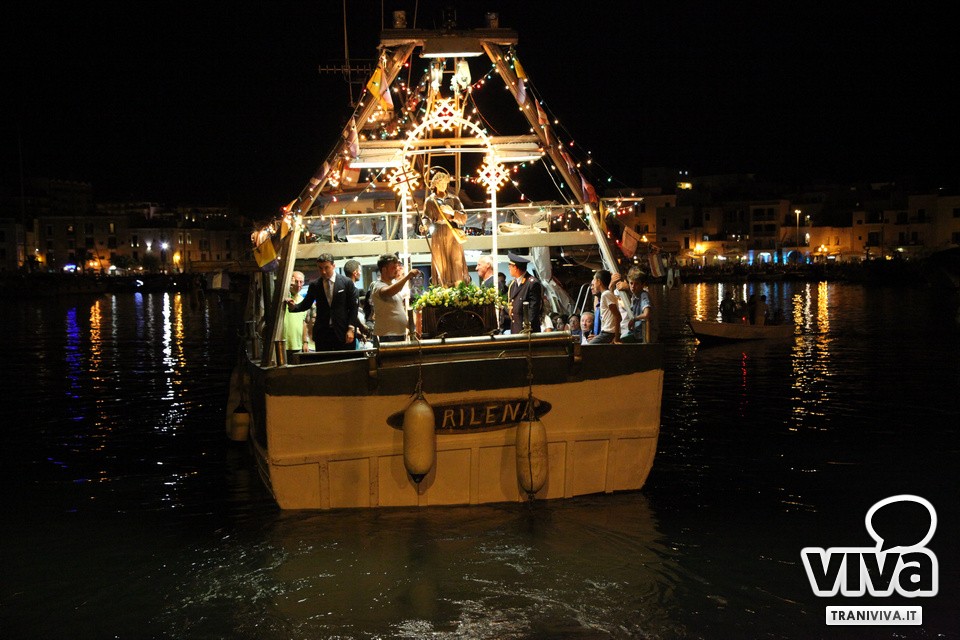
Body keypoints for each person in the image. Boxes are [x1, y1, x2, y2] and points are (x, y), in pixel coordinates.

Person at [288, 253, 358, 351]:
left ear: (333, 266)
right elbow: (306, 304)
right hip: (323, 334)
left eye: (326, 268)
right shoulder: (315, 285)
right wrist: (293, 306)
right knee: (324, 359)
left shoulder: (346, 282)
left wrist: (351, 329)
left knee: (345, 359)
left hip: (343, 331)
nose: (323, 271)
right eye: (320, 268)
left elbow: (353, 308)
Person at [422, 167, 469, 287]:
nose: (443, 185)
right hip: (438, 233)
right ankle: (443, 287)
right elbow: (426, 217)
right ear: (435, 184)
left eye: (445, 183)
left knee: (456, 260)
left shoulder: (454, 199)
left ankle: (459, 286)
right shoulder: (430, 200)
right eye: (440, 183)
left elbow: (464, 217)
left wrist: (452, 212)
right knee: (440, 261)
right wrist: (425, 226)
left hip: (452, 231)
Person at [371, 253, 421, 342]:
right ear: (384, 269)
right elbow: (388, 292)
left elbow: (396, 311)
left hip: (398, 334)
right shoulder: (378, 286)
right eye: (393, 267)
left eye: (397, 267)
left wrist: (410, 327)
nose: (396, 270)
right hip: (387, 335)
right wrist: (407, 277)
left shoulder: (393, 285)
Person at [507, 252, 543, 333]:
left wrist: (526, 328)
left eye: (510, 266)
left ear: (515, 267)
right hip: (516, 329)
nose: (509, 268)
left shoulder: (532, 283)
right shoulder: (513, 284)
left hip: (527, 331)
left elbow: (533, 310)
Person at [282, 270, 311, 362]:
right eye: (296, 281)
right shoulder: (283, 298)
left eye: (301, 282)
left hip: (297, 345)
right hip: (281, 344)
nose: (298, 285)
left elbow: (304, 323)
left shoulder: (303, 301)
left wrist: (305, 342)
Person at [587, 269, 621, 344]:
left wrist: (616, 338)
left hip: (609, 333)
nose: (592, 285)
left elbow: (618, 316)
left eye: (594, 280)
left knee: (588, 347)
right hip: (606, 332)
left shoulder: (606, 294)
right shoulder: (605, 295)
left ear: (599, 282)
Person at [342, 259, 370, 347]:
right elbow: (352, 311)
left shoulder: (343, 287)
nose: (360, 273)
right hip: (348, 332)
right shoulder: (353, 289)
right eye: (360, 271)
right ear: (355, 273)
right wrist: (361, 326)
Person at [620, 268, 652, 343]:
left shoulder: (643, 295)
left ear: (642, 285)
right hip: (638, 333)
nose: (633, 286)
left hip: (645, 335)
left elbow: (646, 314)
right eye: (631, 283)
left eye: (636, 284)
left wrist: (634, 319)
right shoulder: (634, 296)